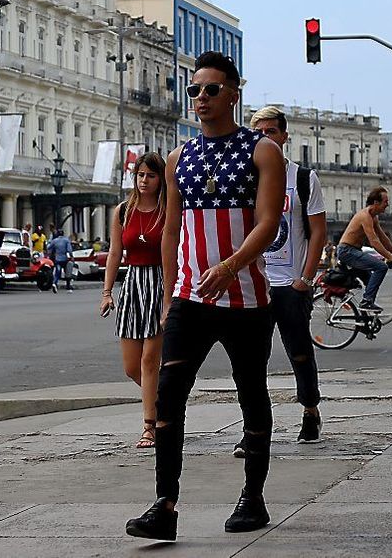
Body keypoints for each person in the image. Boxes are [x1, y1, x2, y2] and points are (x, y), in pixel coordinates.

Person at [125, 52, 285, 541]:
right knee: (169, 397)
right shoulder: (179, 159)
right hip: (191, 301)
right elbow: (172, 229)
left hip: (246, 301)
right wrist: (173, 293)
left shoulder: (262, 152)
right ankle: (165, 504)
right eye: (194, 90)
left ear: (234, 93)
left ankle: (253, 498)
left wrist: (231, 265)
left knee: (252, 394)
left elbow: (268, 223)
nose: (201, 99)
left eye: (211, 90)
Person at [249, 105, 327, 446]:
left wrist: (304, 281)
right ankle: (253, 429)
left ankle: (310, 410)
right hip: (257, 284)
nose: (265, 138)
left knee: (299, 351)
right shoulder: (249, 179)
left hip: (291, 283)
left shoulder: (302, 178)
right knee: (250, 359)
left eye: (271, 132)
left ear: (284, 136)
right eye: (259, 133)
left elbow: (318, 231)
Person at [100, 152, 167, 449]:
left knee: (150, 361)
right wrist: (106, 292)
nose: (144, 180)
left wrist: (172, 295)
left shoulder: (169, 209)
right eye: (140, 175)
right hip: (132, 284)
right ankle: (167, 400)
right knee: (131, 367)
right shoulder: (123, 211)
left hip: (160, 283)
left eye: (150, 175)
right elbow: (115, 253)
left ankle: (149, 427)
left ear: (160, 179)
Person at [334, 187, 392, 312]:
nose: (387, 204)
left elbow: (383, 239)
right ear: (376, 203)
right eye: (385, 201)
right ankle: (366, 302)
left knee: (370, 283)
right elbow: (374, 241)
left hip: (353, 251)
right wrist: (391, 258)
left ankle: (365, 318)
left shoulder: (374, 217)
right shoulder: (365, 216)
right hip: (347, 251)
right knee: (381, 267)